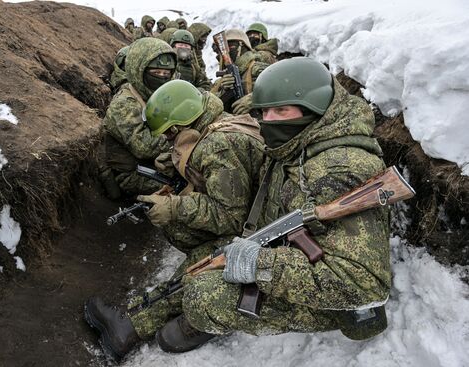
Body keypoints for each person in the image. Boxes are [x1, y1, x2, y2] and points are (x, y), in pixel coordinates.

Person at [87, 57, 391, 359]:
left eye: (281, 110)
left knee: (204, 297)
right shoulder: (299, 142)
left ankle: (203, 320)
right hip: (287, 248)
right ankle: (133, 323)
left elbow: (364, 287)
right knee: (207, 258)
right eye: (264, 112)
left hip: (331, 302)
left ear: (314, 107)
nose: (268, 121)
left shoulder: (338, 170)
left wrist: (259, 263)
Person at [84, 80, 265, 362]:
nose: (168, 140)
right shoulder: (214, 126)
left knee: (202, 260)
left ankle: (130, 326)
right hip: (257, 221)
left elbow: (231, 216)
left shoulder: (220, 146)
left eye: (170, 134)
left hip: (259, 236)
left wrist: (176, 206)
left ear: (181, 122)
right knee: (180, 228)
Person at [99, 38, 176, 198]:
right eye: (156, 73)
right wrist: (177, 138)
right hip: (130, 173)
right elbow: (144, 148)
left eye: (166, 73)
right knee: (183, 189)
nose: (162, 77)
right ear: (138, 71)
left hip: (154, 163)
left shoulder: (154, 95)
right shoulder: (124, 104)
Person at [211, 29, 269, 113]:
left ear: (242, 47)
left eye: (230, 46)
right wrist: (223, 91)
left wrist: (254, 99)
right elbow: (208, 106)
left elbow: (280, 88)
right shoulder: (222, 80)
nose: (226, 52)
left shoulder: (257, 69)